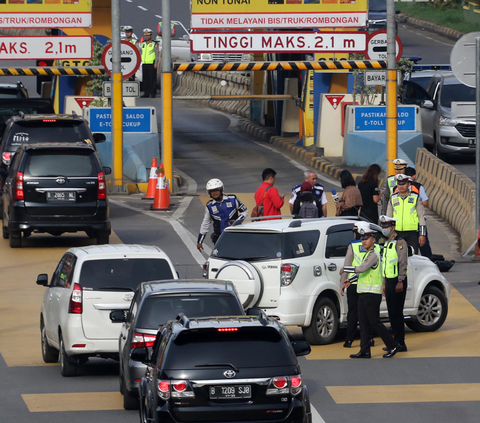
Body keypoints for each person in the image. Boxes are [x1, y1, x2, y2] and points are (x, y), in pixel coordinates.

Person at [341, 222, 400, 359]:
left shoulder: (373, 254)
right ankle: (365, 350)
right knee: (363, 323)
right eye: (362, 238)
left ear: (373, 239)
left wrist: (346, 270)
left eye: (366, 238)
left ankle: (393, 345)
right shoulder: (367, 254)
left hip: (372, 294)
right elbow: (362, 272)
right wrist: (351, 279)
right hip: (363, 292)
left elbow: (362, 268)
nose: (363, 241)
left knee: (374, 322)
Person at [340, 222, 378, 348]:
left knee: (353, 313)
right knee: (369, 314)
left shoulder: (353, 245)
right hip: (369, 284)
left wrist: (342, 283)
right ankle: (370, 338)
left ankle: (349, 340)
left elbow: (347, 264)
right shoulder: (376, 246)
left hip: (353, 283)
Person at [379, 215, 409, 353]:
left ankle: (400, 343)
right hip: (389, 281)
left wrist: (401, 280)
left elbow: (403, 263)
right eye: (383, 226)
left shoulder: (400, 243)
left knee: (397, 313)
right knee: (391, 313)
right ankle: (395, 342)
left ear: (393, 227)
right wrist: (384, 283)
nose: (384, 229)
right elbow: (385, 265)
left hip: (398, 281)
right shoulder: (387, 243)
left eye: (386, 226)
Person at [197, 179, 248, 251]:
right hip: (219, 239)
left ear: (221, 190)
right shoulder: (209, 206)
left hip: (235, 236)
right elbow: (205, 224)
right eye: (212, 191)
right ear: (209, 193)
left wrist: (237, 221)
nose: (214, 193)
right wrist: (200, 241)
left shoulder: (233, 199)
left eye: (216, 190)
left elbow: (245, 211)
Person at [386, 174, 427, 254]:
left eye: (403, 184)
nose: (401, 186)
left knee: (413, 257)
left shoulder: (415, 198)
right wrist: (388, 233)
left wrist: (422, 235)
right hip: (397, 233)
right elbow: (388, 218)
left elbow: (421, 217)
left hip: (412, 234)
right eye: (399, 184)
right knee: (398, 257)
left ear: (408, 184)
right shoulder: (393, 198)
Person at [404, 166, 433, 260]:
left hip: (403, 223)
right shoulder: (418, 186)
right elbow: (425, 202)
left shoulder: (397, 187)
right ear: (414, 176)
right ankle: (428, 261)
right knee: (423, 244)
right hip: (417, 221)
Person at [140, 28, 159, 98]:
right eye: (146, 35)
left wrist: (156, 62)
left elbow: (157, 53)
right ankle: (146, 93)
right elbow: (141, 53)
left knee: (152, 79)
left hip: (152, 63)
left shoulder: (154, 43)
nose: (147, 37)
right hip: (144, 63)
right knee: (145, 79)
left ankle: (153, 93)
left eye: (148, 35)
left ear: (151, 35)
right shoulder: (143, 44)